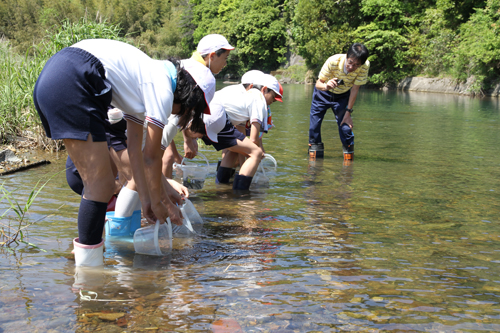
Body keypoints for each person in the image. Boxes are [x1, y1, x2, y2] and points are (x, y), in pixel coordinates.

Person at [33, 39, 214, 266]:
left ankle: (86, 265)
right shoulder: (162, 87)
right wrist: (163, 205)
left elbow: (134, 150)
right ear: (187, 98)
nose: (177, 116)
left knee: (100, 184)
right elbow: (151, 157)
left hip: (57, 76)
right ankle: (90, 275)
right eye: (186, 112)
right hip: (75, 77)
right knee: (100, 186)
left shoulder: (144, 81)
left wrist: (148, 199)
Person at [162, 34, 234, 178]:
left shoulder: (181, 63)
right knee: (159, 156)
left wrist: (188, 139)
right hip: (162, 119)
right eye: (225, 59)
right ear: (212, 56)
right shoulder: (206, 78)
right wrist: (188, 138)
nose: (225, 64)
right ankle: (161, 197)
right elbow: (186, 111)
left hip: (140, 112)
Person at [208, 71, 282, 190]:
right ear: (264, 89)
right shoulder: (259, 100)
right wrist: (256, 155)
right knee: (256, 153)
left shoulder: (245, 95)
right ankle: (240, 193)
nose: (271, 102)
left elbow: (241, 134)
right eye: (272, 97)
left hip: (205, 117)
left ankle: (221, 186)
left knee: (233, 148)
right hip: (216, 118)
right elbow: (253, 139)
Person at [308, 43, 369, 161]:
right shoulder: (333, 61)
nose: (352, 67)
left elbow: (355, 89)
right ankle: (314, 165)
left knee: (346, 127)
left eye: (357, 65)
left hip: (342, 95)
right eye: (350, 62)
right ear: (346, 56)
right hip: (322, 94)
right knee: (314, 127)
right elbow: (318, 84)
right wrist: (326, 86)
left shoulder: (365, 66)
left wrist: (348, 113)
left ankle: (348, 163)